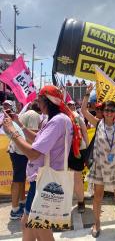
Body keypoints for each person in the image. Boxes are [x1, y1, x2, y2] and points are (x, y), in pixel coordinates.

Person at [3, 85, 73, 241]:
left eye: (39, 100)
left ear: (46, 101)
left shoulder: (57, 122)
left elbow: (33, 153)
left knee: (38, 227)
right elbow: (38, 141)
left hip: (44, 181)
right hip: (43, 179)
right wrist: (19, 125)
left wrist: (12, 132)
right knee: (30, 224)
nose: (38, 104)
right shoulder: (58, 119)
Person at [81, 82, 115, 240]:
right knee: (97, 197)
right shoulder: (98, 123)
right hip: (99, 167)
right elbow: (84, 110)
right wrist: (86, 94)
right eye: (106, 110)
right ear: (102, 111)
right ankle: (97, 223)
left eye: (112, 110)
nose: (109, 112)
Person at [67, 100, 89, 213]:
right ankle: (63, 202)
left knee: (77, 178)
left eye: (72, 105)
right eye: (68, 105)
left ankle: (81, 202)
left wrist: (88, 150)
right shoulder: (60, 116)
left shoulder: (77, 116)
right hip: (63, 151)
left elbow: (84, 132)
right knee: (64, 178)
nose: (70, 106)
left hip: (78, 149)